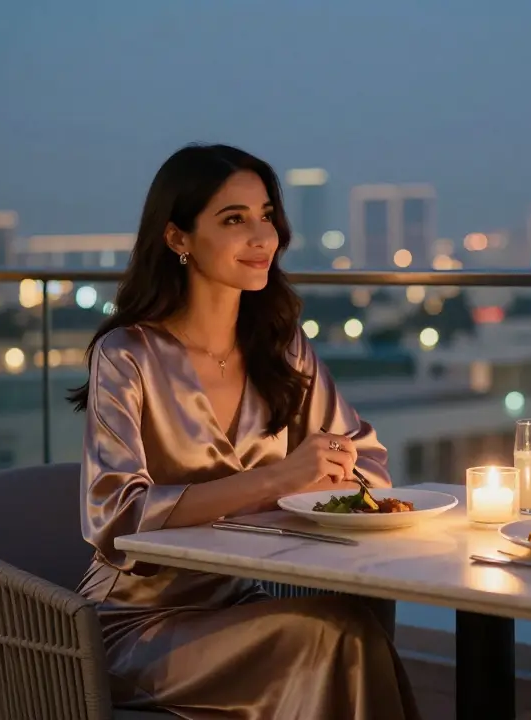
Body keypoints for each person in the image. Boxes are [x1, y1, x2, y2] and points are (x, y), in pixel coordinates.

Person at [67, 144, 419, 719]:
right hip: (133, 622)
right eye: (235, 220)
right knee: (331, 640)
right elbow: (115, 516)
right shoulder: (126, 355)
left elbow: (366, 469)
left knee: (347, 628)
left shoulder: (280, 350)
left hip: (241, 602)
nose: (263, 236)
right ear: (178, 238)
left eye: (266, 215)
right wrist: (279, 479)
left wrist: (322, 473)